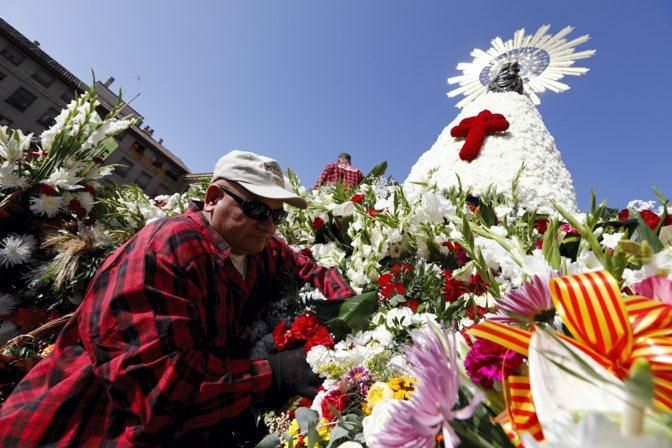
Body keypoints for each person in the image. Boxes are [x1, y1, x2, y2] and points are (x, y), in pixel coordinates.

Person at [0, 150, 355, 447]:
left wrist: (351, 316)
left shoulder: (258, 250)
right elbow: (160, 396)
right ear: (214, 198)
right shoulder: (166, 249)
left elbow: (308, 269)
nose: (269, 225)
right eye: (257, 210)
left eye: (277, 215)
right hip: (88, 429)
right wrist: (277, 372)